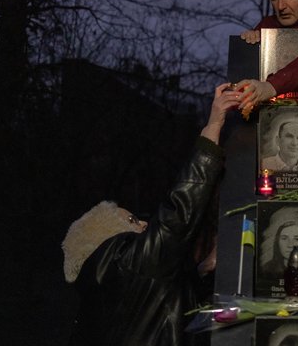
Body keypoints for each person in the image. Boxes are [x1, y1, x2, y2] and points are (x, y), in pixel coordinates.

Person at [61, 83, 240, 346]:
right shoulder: (127, 262)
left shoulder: (115, 293)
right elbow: (178, 216)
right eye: (131, 221)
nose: (142, 222)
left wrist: (202, 271)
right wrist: (213, 125)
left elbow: (174, 316)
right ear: (106, 239)